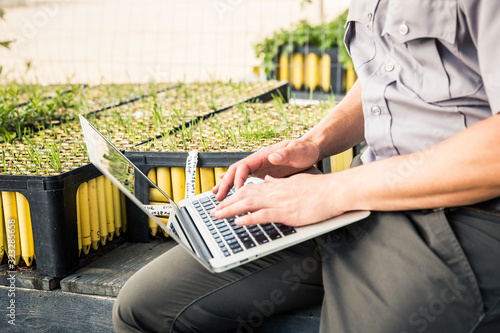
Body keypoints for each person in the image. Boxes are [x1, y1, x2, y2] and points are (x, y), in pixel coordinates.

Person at [113, 0, 500, 332]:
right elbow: (394, 72)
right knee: (142, 310)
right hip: (363, 192)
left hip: (466, 217)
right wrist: (312, 144)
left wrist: (331, 191)